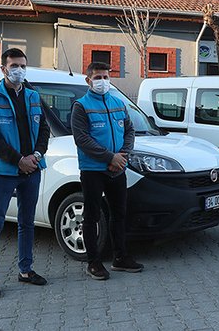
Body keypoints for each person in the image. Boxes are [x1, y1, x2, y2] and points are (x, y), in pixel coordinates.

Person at [0, 48, 50, 299]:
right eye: (14, 66)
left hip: (32, 168)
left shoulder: (33, 96)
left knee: (27, 223)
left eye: (22, 65)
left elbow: (44, 130)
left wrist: (36, 156)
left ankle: (26, 270)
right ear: (3, 69)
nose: (18, 70)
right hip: (4, 171)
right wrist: (18, 160)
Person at [71, 62, 144, 280]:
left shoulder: (118, 103)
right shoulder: (81, 106)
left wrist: (122, 155)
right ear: (88, 80)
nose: (102, 81)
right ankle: (93, 262)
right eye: (98, 78)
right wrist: (109, 157)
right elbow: (82, 139)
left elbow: (129, 130)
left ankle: (120, 258)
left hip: (117, 169)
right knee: (92, 216)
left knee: (119, 214)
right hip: (93, 169)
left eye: (105, 77)